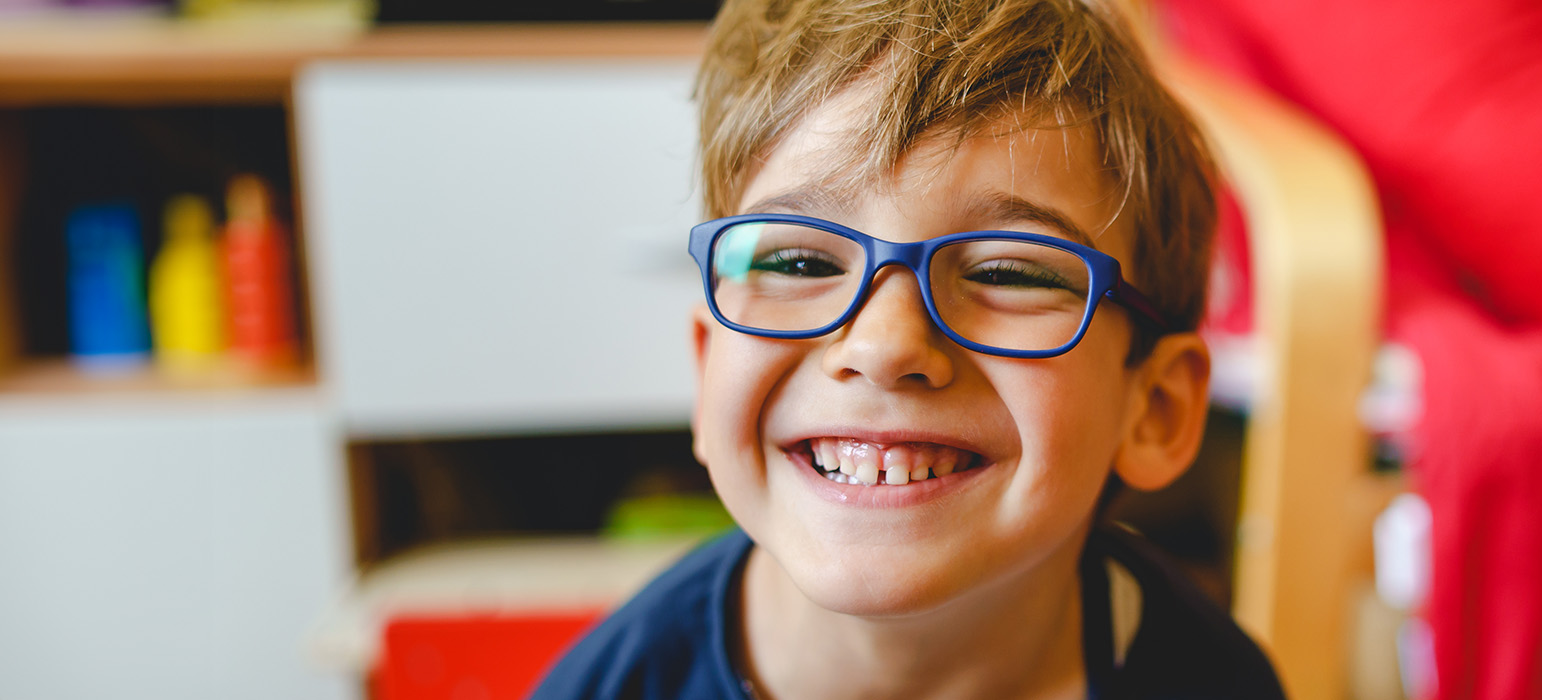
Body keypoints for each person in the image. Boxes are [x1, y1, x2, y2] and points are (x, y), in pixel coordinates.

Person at [532, 0, 1286, 697]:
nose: (886, 343)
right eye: (802, 263)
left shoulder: (1211, 676)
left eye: (1008, 272)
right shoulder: (612, 683)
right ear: (706, 372)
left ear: (1154, 408)